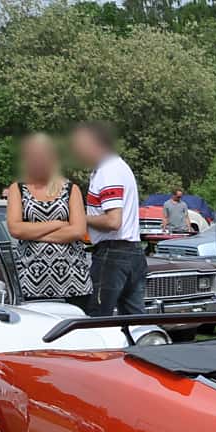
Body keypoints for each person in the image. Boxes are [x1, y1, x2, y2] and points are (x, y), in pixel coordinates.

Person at [4, 132, 91, 305]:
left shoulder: (71, 189)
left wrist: (32, 233)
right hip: (30, 280)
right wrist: (57, 224)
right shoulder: (17, 189)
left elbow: (78, 231)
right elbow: (15, 229)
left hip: (73, 280)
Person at [70, 122, 144, 317]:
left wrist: (78, 216)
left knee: (97, 317)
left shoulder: (108, 171)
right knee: (135, 320)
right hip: (132, 252)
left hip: (112, 254)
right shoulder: (118, 167)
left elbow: (113, 221)